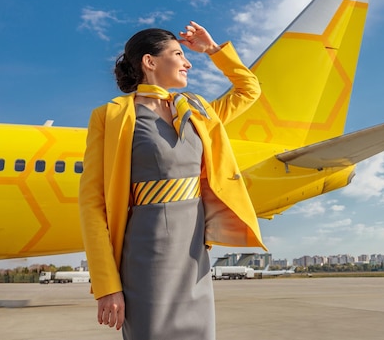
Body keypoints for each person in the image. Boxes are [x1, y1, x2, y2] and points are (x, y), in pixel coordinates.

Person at [78, 21, 266, 340]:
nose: (187, 62)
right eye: (178, 53)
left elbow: (250, 89)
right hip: (145, 259)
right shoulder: (110, 117)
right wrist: (107, 285)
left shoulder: (198, 109)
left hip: (194, 258)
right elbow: (92, 205)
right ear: (149, 62)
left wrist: (213, 50)